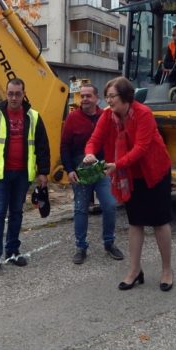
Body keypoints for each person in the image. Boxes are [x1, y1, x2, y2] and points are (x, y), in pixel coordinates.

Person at [83, 77, 174, 292]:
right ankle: (134, 270)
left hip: (155, 171)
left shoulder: (143, 113)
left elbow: (142, 148)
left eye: (112, 96)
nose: (108, 101)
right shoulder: (108, 116)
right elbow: (95, 139)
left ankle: (167, 270)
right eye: (107, 96)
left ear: (125, 96)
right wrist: (89, 154)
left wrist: (117, 164)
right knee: (135, 222)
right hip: (131, 175)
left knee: (160, 222)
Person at [0, 78, 50, 276]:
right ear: (6, 93)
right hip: (0, 175)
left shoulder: (33, 117)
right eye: (10, 93)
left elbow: (42, 146)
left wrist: (44, 171)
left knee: (16, 213)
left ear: (24, 94)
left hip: (22, 174)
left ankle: (13, 251)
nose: (14, 97)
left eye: (18, 93)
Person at [60, 83, 124, 265]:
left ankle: (109, 243)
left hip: (101, 170)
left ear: (97, 98)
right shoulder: (72, 118)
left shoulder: (106, 116)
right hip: (80, 173)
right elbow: (64, 146)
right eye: (82, 96)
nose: (85, 99)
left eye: (89, 95)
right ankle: (81, 247)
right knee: (81, 209)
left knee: (110, 205)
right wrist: (69, 170)